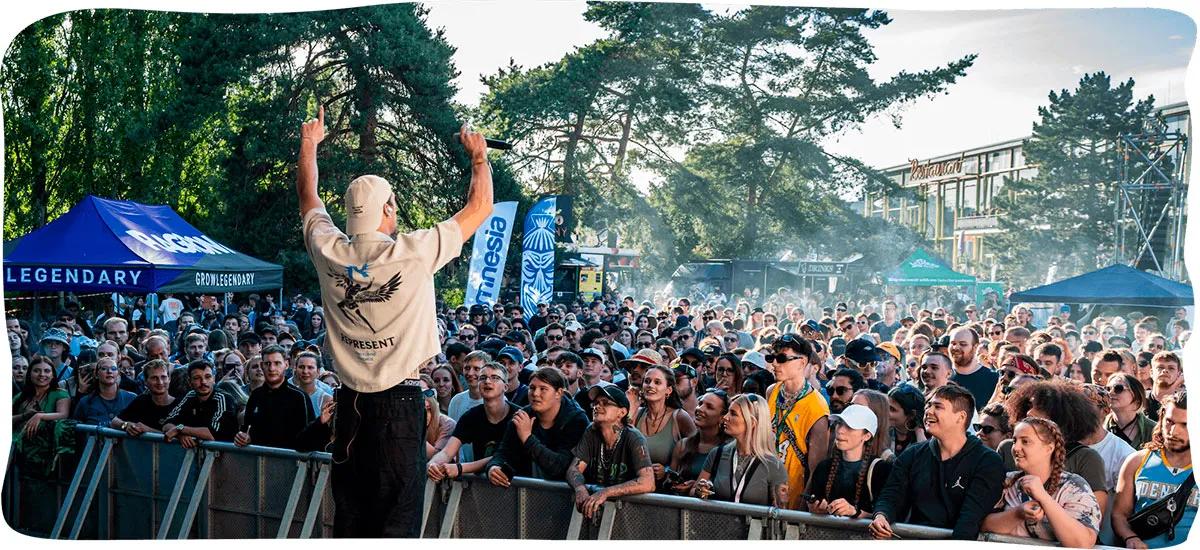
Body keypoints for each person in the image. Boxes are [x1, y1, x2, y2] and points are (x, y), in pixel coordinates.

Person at [299, 109, 491, 537]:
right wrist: (479, 158)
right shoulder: (413, 251)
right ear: (388, 208)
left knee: (350, 519)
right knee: (397, 523)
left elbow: (308, 199)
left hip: (348, 406)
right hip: (399, 406)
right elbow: (480, 208)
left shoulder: (330, 251)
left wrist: (309, 145)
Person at [868, 384, 1005, 541]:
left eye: (938, 407)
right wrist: (881, 516)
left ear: (961, 417)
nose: (929, 411)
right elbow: (891, 494)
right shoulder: (913, 454)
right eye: (928, 405)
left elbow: (970, 520)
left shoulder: (987, 462)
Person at [982, 417, 1101, 547]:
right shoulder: (1007, 482)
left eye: (1025, 441)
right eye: (1015, 441)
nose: (1016, 447)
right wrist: (1018, 513)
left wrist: (1043, 497)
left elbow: (1082, 543)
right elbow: (983, 526)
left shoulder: (1073, 487)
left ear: (1049, 448)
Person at [1112, 389, 1194, 549]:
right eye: (1170, 421)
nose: (1173, 431)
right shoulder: (1136, 461)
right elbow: (1119, 514)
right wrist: (1131, 538)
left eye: (1186, 424)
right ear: (1162, 419)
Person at [566, 384, 655, 519]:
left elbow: (648, 482)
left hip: (630, 513)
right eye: (595, 403)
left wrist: (605, 492)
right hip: (597, 512)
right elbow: (574, 469)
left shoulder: (633, 437)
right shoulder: (591, 431)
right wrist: (580, 489)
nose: (597, 406)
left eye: (605, 403)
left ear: (622, 412)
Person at [487, 367, 588, 484]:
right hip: (526, 492)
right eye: (532, 388)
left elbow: (560, 467)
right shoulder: (523, 416)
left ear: (558, 393)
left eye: (543, 389)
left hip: (565, 496)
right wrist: (493, 467)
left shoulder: (576, 420)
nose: (535, 393)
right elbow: (503, 451)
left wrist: (527, 438)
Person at [765, 334, 830, 508]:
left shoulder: (817, 407)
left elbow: (816, 470)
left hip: (792, 500)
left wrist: (801, 510)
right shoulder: (772, 391)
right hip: (763, 490)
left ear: (802, 362)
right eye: (772, 358)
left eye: (782, 358)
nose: (775, 364)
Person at [691, 393, 787, 506]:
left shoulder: (773, 465)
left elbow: (780, 512)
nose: (725, 417)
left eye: (733, 414)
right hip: (718, 522)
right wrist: (699, 491)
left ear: (752, 423)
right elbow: (693, 491)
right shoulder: (717, 454)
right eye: (728, 412)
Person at [427, 363, 515, 481]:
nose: (487, 381)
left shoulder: (518, 416)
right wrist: (433, 464)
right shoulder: (471, 417)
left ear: (506, 387)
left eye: (495, 377)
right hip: (482, 487)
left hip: (517, 486)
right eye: (482, 378)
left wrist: (460, 468)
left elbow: (503, 455)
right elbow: (448, 452)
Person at [804, 403, 893, 518]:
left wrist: (854, 512)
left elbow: (887, 513)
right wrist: (816, 508)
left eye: (850, 427)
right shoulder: (824, 467)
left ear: (866, 436)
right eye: (839, 423)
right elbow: (813, 502)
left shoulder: (881, 469)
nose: (840, 430)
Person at [12, 355, 73, 478]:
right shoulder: (21, 396)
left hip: (43, 454)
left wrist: (40, 416)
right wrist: (24, 415)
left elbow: (63, 414)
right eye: (36, 370)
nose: (42, 374)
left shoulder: (60, 393)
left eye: (47, 371)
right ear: (30, 373)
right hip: (18, 452)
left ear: (52, 374)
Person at [634, 365, 697, 485]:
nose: (650, 385)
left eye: (657, 382)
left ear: (668, 390)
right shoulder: (637, 414)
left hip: (664, 493)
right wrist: (631, 409)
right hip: (634, 486)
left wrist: (668, 471)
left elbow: (695, 453)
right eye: (647, 381)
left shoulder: (679, 417)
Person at [162, 360, 239, 448]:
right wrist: (180, 435)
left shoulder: (223, 398)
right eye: (197, 378)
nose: (203, 382)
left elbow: (211, 434)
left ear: (214, 379)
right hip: (202, 456)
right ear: (189, 381)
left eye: (208, 377)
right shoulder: (191, 395)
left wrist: (180, 428)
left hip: (227, 455)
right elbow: (167, 424)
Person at [669, 388, 730, 491]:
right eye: (700, 403)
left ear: (722, 417)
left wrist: (696, 486)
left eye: (709, 407)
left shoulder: (727, 450)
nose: (700, 409)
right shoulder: (683, 445)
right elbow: (669, 481)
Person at [112, 359, 176, 435]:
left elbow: (176, 436)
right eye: (154, 378)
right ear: (145, 382)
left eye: (163, 377)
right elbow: (114, 421)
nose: (160, 382)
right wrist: (126, 425)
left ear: (169, 379)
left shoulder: (180, 404)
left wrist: (148, 430)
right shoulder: (142, 401)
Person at [73, 357, 137, 426]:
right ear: (96, 374)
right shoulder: (85, 402)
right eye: (104, 368)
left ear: (118, 374)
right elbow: (76, 430)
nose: (109, 371)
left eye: (113, 368)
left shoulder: (132, 398)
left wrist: (124, 425)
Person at [948, 327, 998, 412]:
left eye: (963, 344)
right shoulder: (943, 377)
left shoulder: (993, 379)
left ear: (975, 347)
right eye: (953, 343)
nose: (956, 348)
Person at [1105, 373, 1157, 450]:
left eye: (1118, 388)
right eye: (1107, 389)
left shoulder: (1154, 430)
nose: (1110, 393)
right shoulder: (1099, 427)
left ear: (1137, 398)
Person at [887, 384, 927, 456]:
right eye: (886, 406)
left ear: (911, 415)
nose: (886, 412)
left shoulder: (926, 436)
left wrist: (920, 434)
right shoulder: (882, 432)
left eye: (892, 409)